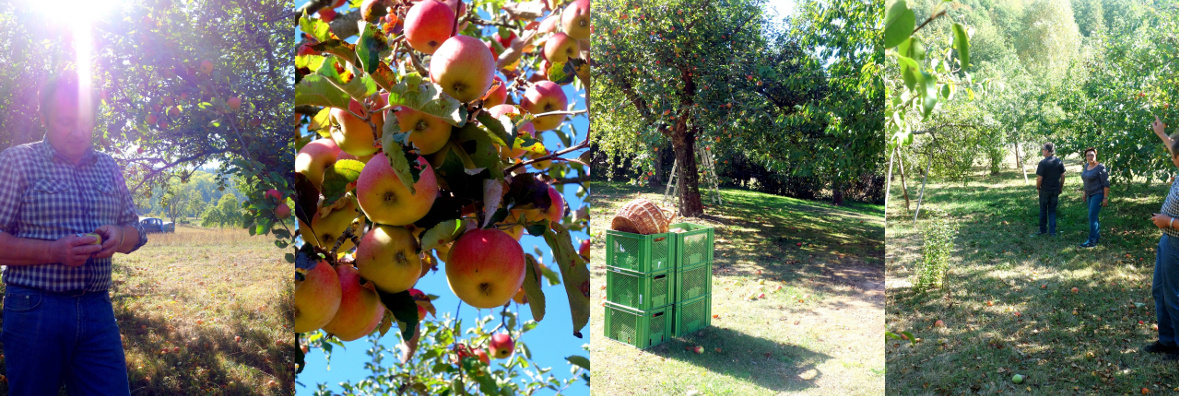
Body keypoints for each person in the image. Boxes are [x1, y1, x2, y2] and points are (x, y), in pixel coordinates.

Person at [0, 71, 147, 394]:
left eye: (85, 121)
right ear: (44, 118)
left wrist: (118, 236)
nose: (78, 131)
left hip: (97, 309)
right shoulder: (17, 163)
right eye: (65, 121)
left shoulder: (108, 166)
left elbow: (137, 230)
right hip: (34, 309)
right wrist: (53, 252)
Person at [1147, 115, 1179, 361]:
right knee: (1160, 291)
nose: (1172, 159)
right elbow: (1175, 147)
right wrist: (1161, 135)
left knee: (1174, 296)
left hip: (1176, 242)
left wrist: (1168, 221)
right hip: (1167, 241)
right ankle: (1167, 341)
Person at [1079, 147, 1110, 248]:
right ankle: (1096, 238)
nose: (1090, 157)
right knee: (1094, 217)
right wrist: (1084, 193)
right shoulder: (1087, 165)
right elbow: (1086, 181)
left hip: (1098, 194)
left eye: (1092, 155)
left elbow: (1106, 184)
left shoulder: (1100, 167)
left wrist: (1105, 198)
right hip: (1089, 195)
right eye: (1088, 155)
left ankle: (1091, 241)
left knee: (1092, 216)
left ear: (1096, 155)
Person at [1035, 142, 1066, 236]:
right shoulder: (1059, 161)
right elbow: (1063, 176)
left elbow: (1040, 178)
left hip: (1045, 190)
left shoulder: (1043, 163)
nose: (1042, 151)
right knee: (1052, 210)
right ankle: (1052, 232)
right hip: (1055, 189)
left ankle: (1043, 230)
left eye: (1043, 149)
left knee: (1043, 210)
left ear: (1047, 151)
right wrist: (1060, 187)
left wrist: (1038, 187)